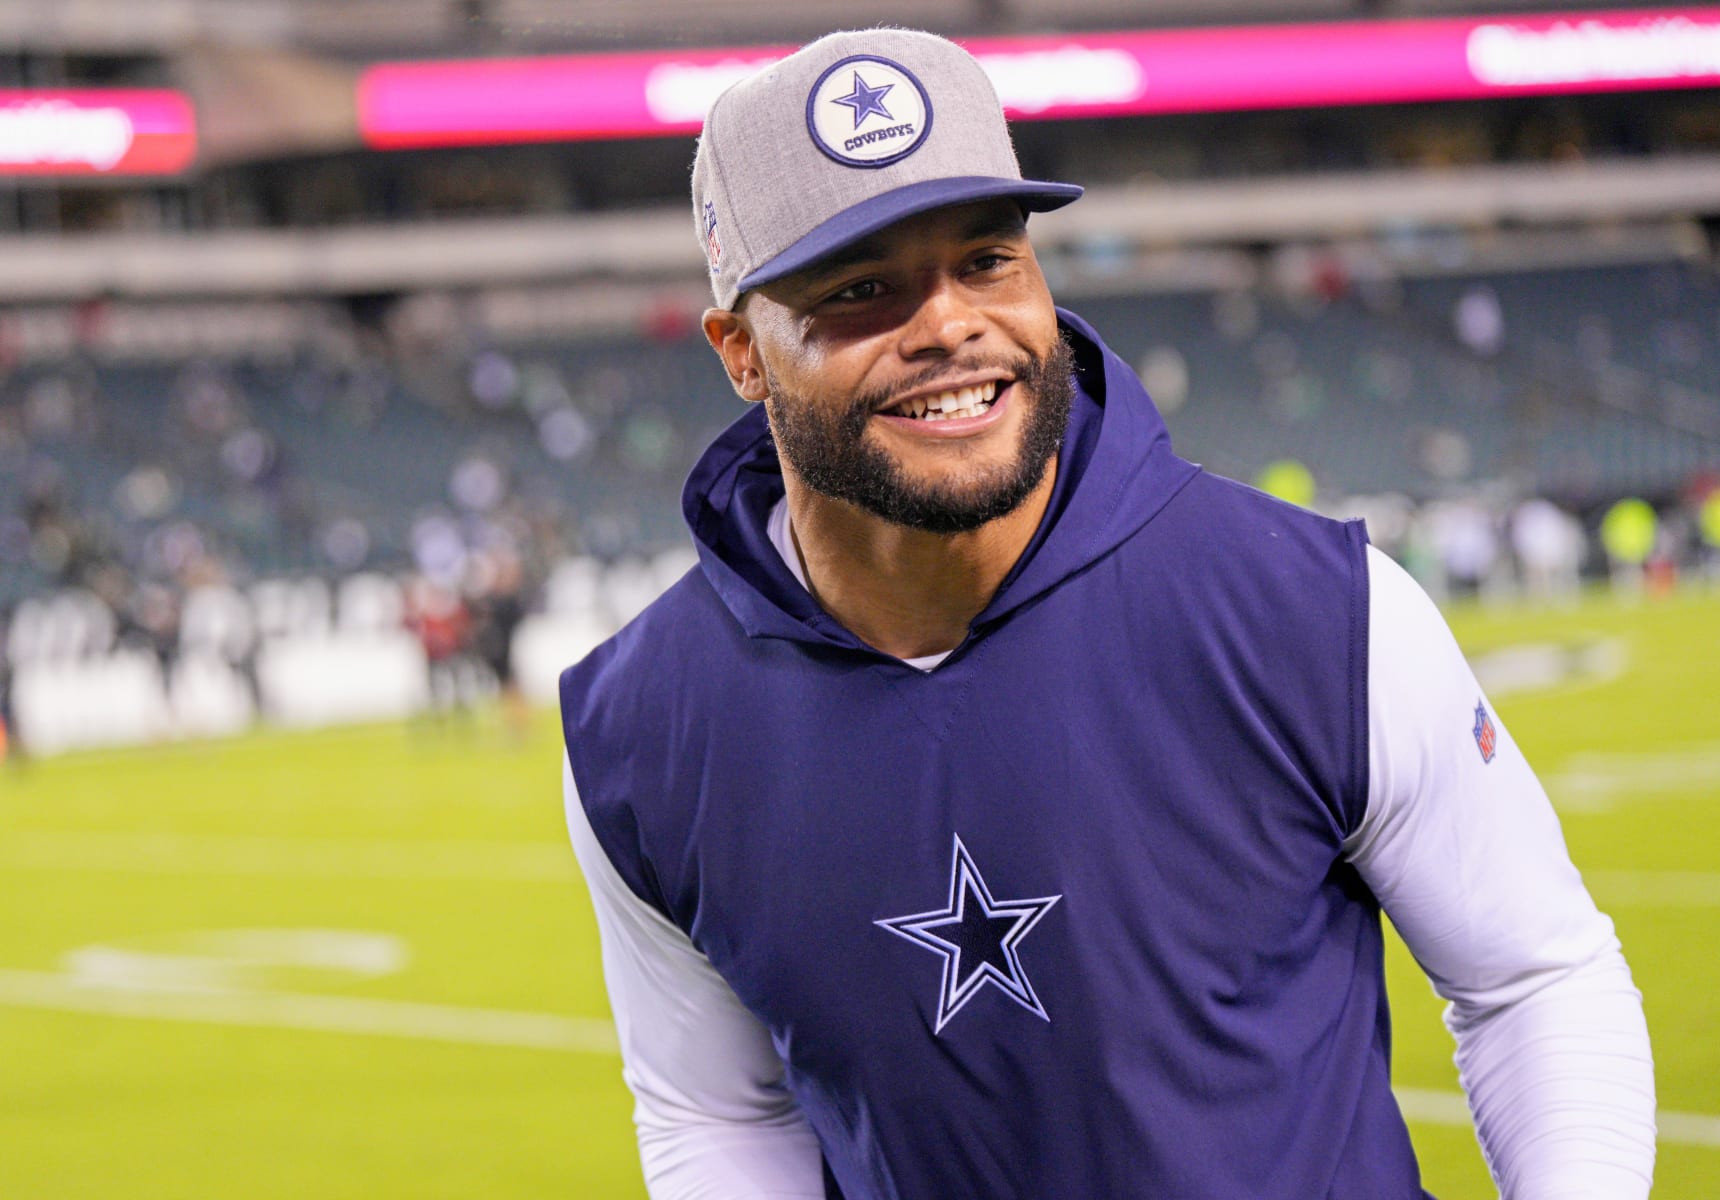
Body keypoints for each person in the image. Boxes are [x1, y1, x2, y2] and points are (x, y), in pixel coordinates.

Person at [560, 28, 1655, 1199]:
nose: (948, 324)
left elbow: (1534, 980)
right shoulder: (641, 730)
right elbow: (716, 1112)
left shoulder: (1310, 606)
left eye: (987, 260)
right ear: (742, 353)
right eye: (861, 289)